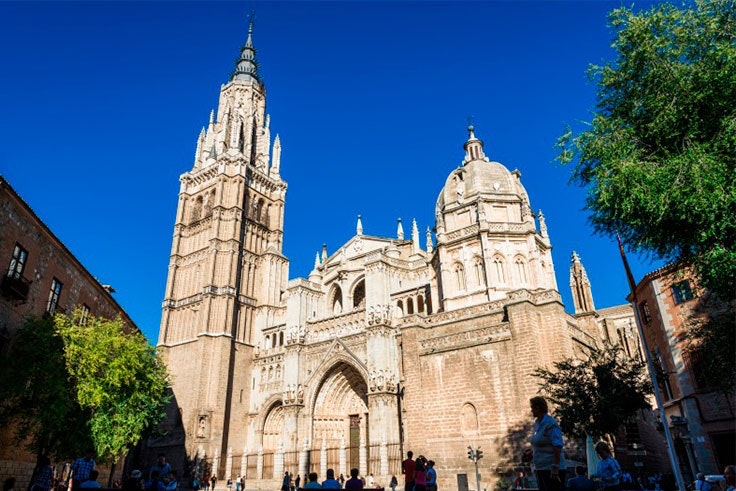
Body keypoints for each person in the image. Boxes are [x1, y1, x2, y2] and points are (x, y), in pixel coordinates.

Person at [529, 396, 567, 491]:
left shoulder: (550, 423)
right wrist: (531, 453)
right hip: (541, 468)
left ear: (538, 408)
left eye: (532, 408)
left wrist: (555, 468)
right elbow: (540, 443)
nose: (531, 411)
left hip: (551, 469)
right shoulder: (538, 423)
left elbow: (557, 445)